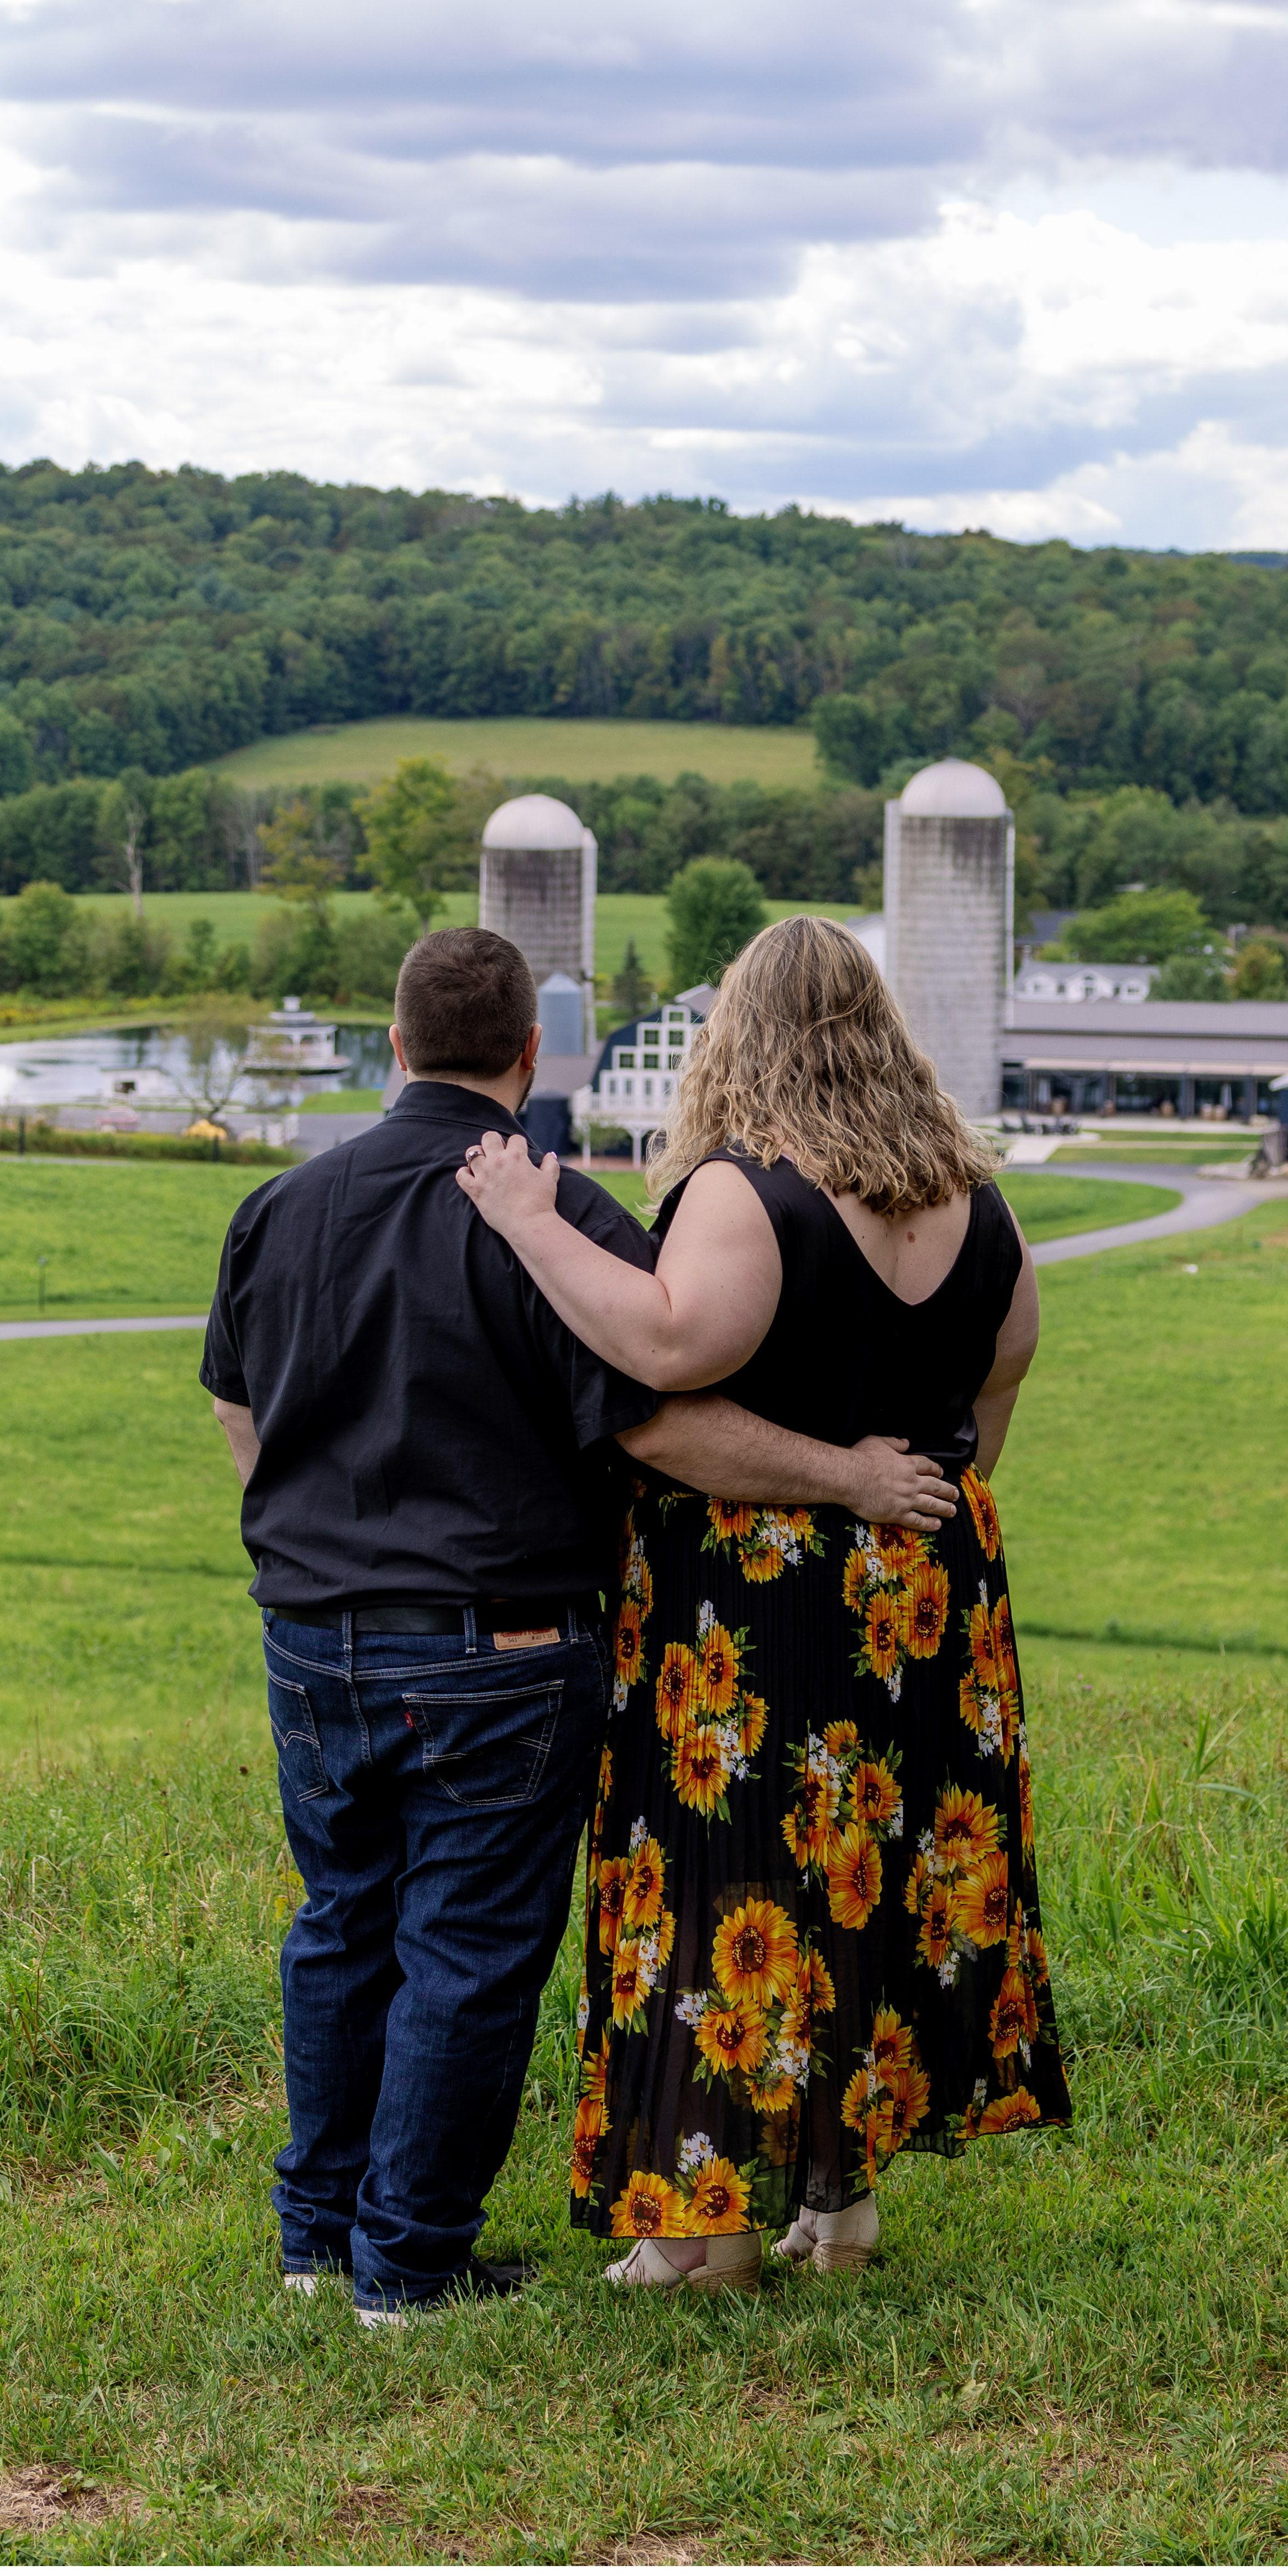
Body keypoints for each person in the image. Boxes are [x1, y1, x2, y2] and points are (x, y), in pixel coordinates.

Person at [205, 924, 968, 2328]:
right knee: (467, 1951)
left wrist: (308, 1544)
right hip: (499, 1640)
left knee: (338, 1925)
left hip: (308, 1634)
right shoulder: (563, 1220)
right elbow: (662, 1421)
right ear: (529, 1052)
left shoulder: (278, 1207)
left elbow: (235, 1403)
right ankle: (406, 2263)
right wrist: (848, 1476)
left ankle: (315, 2237)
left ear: (395, 1044)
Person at [455, 913, 1069, 2291]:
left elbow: (670, 1350)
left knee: (724, 1880)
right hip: (928, 1596)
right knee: (868, 1882)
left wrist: (529, 1222)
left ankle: (704, 2234)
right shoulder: (979, 1202)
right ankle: (840, 2213)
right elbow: (998, 1381)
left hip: (755, 1598)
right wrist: (904, 1508)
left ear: (737, 1033)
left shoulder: (749, 1189)